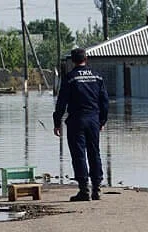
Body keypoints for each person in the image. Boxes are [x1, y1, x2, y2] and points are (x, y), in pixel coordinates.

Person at [53, 47, 108, 202]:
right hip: (93, 119)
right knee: (94, 153)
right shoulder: (97, 77)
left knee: (79, 155)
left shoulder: (70, 78)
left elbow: (61, 103)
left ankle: (84, 190)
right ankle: (96, 189)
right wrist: (102, 120)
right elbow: (104, 101)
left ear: (72, 61)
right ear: (86, 59)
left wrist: (57, 122)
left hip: (77, 120)